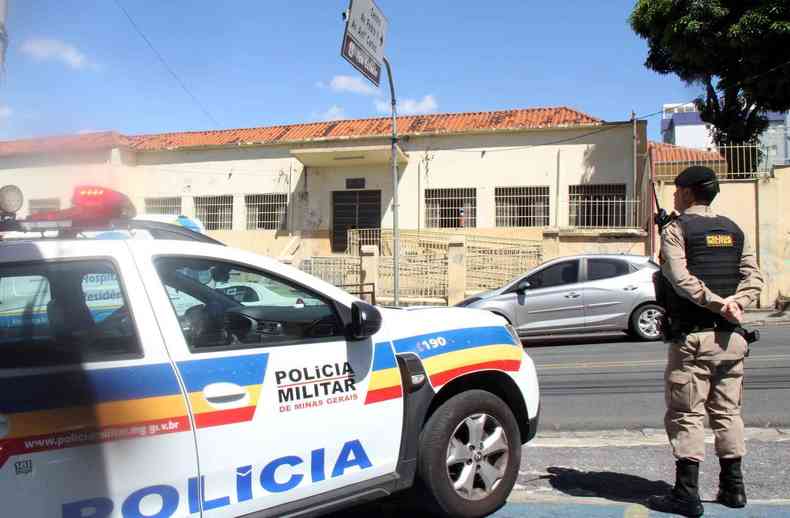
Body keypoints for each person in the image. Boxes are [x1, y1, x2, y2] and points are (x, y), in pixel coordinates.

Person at [647, 166, 764, 517]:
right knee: (728, 413)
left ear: (687, 192)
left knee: (687, 415)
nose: (673, 195)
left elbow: (679, 278)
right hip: (731, 338)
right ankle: (733, 489)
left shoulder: (676, 229)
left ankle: (686, 495)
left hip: (694, 339)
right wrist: (736, 304)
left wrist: (716, 302)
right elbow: (754, 277)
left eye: (677, 189)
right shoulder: (733, 229)